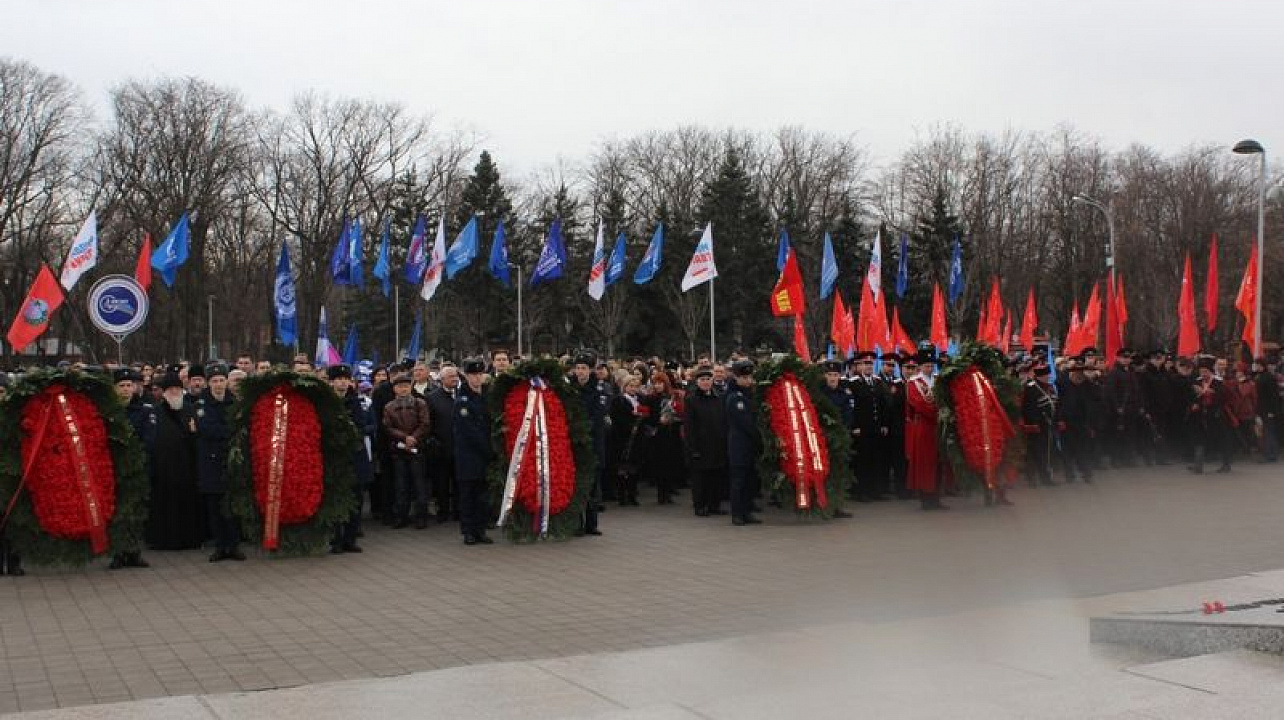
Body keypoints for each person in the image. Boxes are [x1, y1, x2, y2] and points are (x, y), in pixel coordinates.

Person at [145, 369, 204, 550]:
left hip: (186, 467)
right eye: (170, 390)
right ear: (164, 393)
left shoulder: (189, 410)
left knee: (187, 504)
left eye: (177, 390)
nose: (174, 393)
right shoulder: (155, 412)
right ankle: (165, 540)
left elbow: (197, 437)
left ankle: (189, 539)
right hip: (164, 469)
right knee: (165, 505)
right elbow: (151, 440)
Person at [194, 363, 244, 562]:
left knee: (231, 507)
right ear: (208, 383)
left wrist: (228, 431)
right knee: (215, 508)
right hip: (210, 463)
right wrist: (228, 431)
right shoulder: (201, 406)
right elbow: (207, 429)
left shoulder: (235, 403)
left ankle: (233, 545)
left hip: (231, 463)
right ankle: (220, 546)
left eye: (222, 380)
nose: (218, 385)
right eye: (214, 381)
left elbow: (239, 426)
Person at [109, 369, 153, 570]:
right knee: (117, 513)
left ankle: (134, 552)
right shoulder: (108, 412)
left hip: (136, 467)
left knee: (135, 512)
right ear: (114, 389)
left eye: (129, 385)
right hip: (114, 468)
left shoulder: (144, 411)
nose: (126, 390)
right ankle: (118, 553)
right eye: (122, 386)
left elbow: (149, 439)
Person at [330, 364, 372, 553]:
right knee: (336, 499)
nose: (342, 383)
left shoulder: (355, 401)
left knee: (355, 500)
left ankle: (350, 538)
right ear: (331, 382)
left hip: (354, 456)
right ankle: (336, 540)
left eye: (345, 379)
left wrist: (350, 431)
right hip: (335, 458)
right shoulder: (326, 402)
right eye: (338, 379)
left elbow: (361, 425)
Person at [382, 373, 431, 528]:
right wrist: (405, 438)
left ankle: (421, 517)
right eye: (399, 386)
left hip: (418, 448)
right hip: (399, 451)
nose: (403, 389)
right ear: (394, 389)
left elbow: (425, 424)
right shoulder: (389, 407)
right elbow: (388, 427)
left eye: (405, 386)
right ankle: (401, 516)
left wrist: (414, 438)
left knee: (419, 484)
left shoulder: (420, 403)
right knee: (401, 485)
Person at [454, 358, 495, 545]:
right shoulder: (463, 399)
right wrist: (487, 449)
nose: (477, 378)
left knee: (482, 495)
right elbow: (469, 431)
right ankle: (468, 531)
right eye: (473, 375)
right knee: (468, 495)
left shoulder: (486, 396)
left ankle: (480, 529)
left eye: (480, 374)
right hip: (469, 455)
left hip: (485, 455)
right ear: (467, 376)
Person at [906, 345, 947, 511]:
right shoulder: (914, 383)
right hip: (924, 426)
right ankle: (926, 498)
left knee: (938, 462)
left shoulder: (938, 380)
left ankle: (936, 496)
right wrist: (937, 412)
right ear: (920, 366)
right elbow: (918, 404)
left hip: (937, 426)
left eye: (931, 365)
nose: (929, 368)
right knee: (925, 463)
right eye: (926, 366)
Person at [683, 366, 728, 517]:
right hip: (700, 446)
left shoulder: (719, 397)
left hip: (717, 444)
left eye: (708, 379)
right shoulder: (691, 399)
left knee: (716, 478)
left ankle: (714, 505)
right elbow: (689, 426)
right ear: (697, 382)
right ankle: (700, 506)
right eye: (702, 380)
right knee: (700, 480)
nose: (706, 382)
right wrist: (692, 448)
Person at [569, 354, 605, 534]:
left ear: (591, 370)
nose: (581, 371)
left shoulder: (598, 390)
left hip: (592, 444)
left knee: (592, 485)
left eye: (584, 368)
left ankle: (591, 524)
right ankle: (576, 523)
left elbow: (598, 418)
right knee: (575, 485)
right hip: (574, 444)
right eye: (578, 368)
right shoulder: (569, 389)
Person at [724, 360, 762, 526]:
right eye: (744, 377)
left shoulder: (750, 395)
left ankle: (747, 511)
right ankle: (738, 514)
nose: (748, 381)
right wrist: (760, 437)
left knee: (749, 479)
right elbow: (746, 424)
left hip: (750, 446)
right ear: (736, 377)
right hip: (739, 445)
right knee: (739, 480)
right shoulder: (734, 398)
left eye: (749, 377)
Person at [849, 351, 890, 502]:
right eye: (865, 364)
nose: (868, 367)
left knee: (875, 459)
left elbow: (882, 404)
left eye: (870, 364)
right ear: (859, 366)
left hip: (876, 427)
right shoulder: (853, 383)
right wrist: (855, 426)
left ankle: (874, 490)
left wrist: (884, 423)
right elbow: (852, 407)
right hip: (862, 428)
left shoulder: (877, 382)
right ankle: (861, 491)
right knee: (862, 460)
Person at [640, 370, 685, 505]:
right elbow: (645, 417)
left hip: (670, 434)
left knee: (670, 463)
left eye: (660, 383)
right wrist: (658, 420)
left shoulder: (671, 397)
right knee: (659, 465)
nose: (658, 386)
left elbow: (680, 414)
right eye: (655, 383)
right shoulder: (649, 398)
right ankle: (661, 493)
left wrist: (673, 417)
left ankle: (668, 491)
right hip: (656, 435)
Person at [424, 365, 460, 523]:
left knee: (459, 481)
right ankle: (443, 511)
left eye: (456, 376)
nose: (454, 379)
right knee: (442, 482)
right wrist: (433, 440)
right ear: (442, 379)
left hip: (460, 447)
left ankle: (459, 511)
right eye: (451, 377)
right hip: (441, 447)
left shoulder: (463, 394)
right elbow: (428, 422)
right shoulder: (432, 397)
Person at [1189, 356, 1234, 474]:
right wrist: (1194, 403)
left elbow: (1224, 398)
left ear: (1210, 371)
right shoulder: (1196, 382)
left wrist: (1209, 393)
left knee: (1222, 439)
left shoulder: (1218, 382)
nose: (1203, 374)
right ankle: (1198, 465)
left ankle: (1226, 464)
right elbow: (1191, 397)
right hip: (1201, 415)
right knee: (1200, 439)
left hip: (1216, 415)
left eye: (1205, 371)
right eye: (1201, 371)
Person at [607, 375, 648, 506]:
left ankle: (632, 493)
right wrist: (631, 419)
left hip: (637, 439)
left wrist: (642, 418)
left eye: (636, 386)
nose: (633, 389)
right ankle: (621, 495)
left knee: (634, 467)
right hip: (622, 438)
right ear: (625, 387)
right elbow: (616, 418)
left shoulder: (641, 399)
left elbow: (647, 415)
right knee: (622, 467)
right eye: (631, 386)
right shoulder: (618, 400)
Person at [1020, 362, 1059, 488]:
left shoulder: (1050, 387)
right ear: (1039, 376)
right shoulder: (1031, 388)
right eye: (1046, 375)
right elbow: (1028, 407)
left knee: (1046, 452)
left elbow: (1054, 404)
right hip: (1037, 425)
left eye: (1048, 374)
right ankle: (1032, 478)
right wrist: (1033, 423)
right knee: (1035, 453)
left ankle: (1046, 476)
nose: (1048, 377)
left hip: (1048, 425)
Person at [1057, 359, 1096, 483]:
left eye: (1081, 373)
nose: (1079, 375)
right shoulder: (1062, 384)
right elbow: (1058, 403)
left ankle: (1086, 472)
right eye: (1076, 372)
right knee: (1067, 449)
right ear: (1072, 373)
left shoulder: (1088, 385)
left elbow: (1093, 403)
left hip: (1083, 422)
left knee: (1083, 448)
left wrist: (1091, 423)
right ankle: (1069, 473)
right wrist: (1060, 419)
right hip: (1067, 421)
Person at [1257, 356, 1281, 463]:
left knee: (1269, 431)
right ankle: (1268, 453)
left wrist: (1272, 411)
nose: (1256, 367)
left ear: (1261, 365)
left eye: (1257, 365)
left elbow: (1273, 396)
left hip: (1268, 410)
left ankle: (1272, 454)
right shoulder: (1260, 376)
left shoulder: (1268, 377)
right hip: (1263, 409)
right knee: (1266, 432)